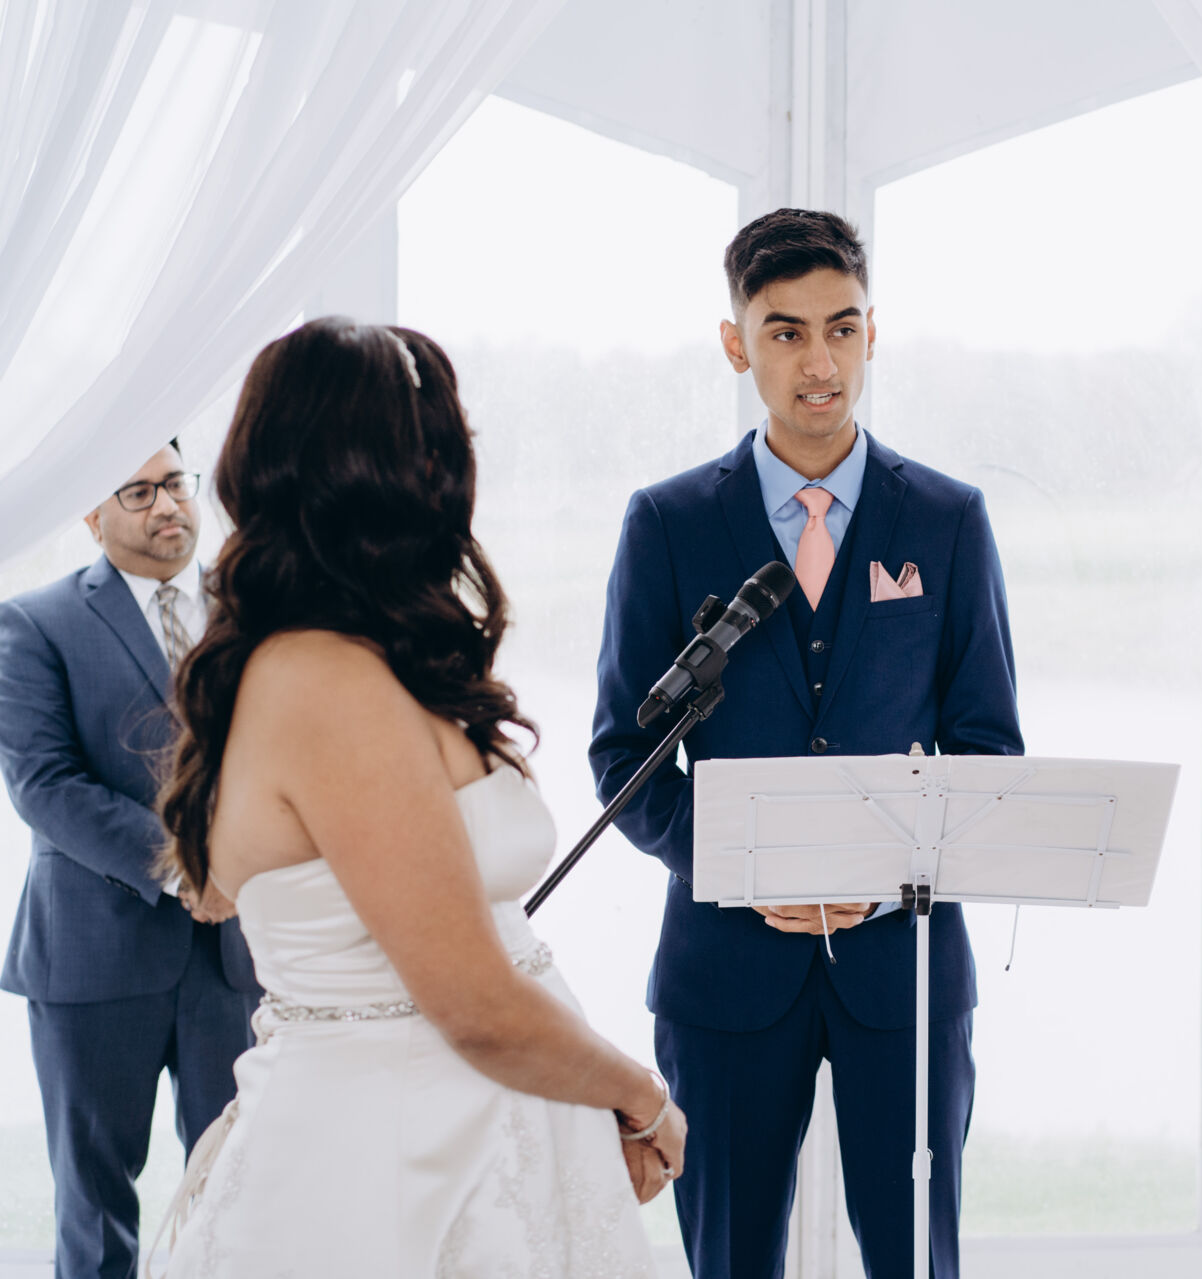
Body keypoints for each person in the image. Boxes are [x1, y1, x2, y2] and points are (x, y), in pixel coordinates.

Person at [148, 317, 680, 1276]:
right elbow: (473, 1005)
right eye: (438, 442)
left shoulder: (356, 660)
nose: (456, 467)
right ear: (389, 471)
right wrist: (642, 1095)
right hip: (394, 1169)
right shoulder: (323, 681)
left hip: (477, 1141)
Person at [591, 208, 1021, 1279]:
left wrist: (883, 875)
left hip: (904, 969)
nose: (818, 363)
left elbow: (988, 750)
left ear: (874, 332)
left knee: (917, 1260)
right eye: (785, 332)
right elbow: (622, 759)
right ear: (736, 344)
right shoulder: (668, 523)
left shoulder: (949, 520)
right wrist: (752, 870)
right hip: (724, 977)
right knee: (729, 1261)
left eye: (842, 327)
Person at [0, 441, 258, 1279]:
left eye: (175, 483)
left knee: (239, 1191)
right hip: (93, 954)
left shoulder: (254, 608)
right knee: (96, 1206)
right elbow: (45, 784)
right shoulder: (34, 621)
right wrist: (190, 866)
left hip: (234, 956)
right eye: (138, 492)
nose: (168, 506)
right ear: (91, 512)